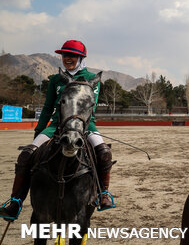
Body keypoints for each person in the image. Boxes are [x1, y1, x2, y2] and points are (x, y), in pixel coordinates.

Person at [0, 40, 115, 221]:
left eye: (72, 56)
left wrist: (80, 126)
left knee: (104, 153)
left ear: (81, 58)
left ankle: (103, 194)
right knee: (26, 155)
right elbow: (47, 108)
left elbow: (89, 108)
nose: (67, 58)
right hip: (56, 125)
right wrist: (38, 133)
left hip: (85, 125)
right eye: (64, 55)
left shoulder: (92, 79)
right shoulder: (55, 79)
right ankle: (15, 202)